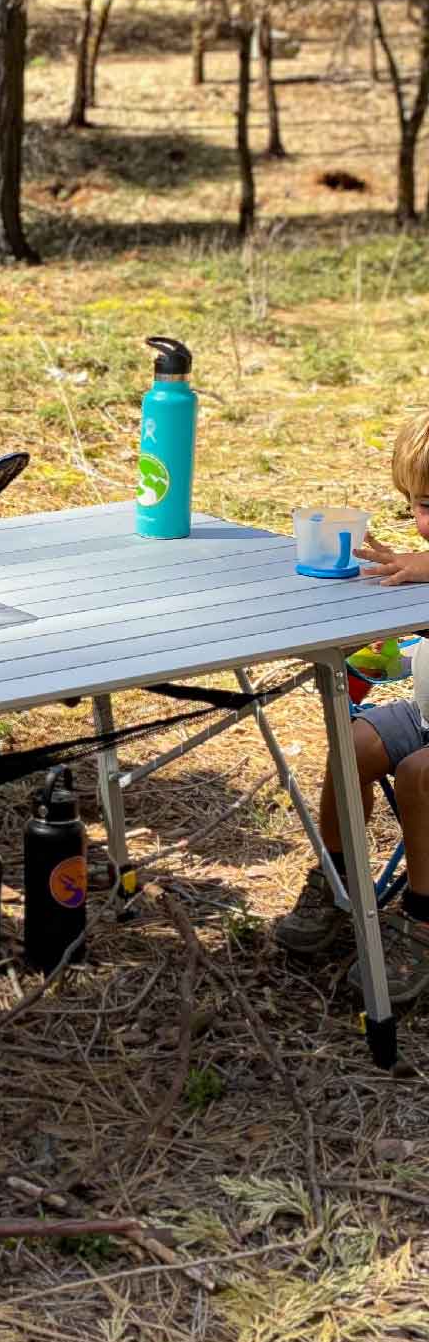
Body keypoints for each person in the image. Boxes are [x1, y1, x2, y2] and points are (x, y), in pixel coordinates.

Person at [272, 410, 429, 1003]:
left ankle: (422, 918)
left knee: (419, 776)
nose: (425, 524)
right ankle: (339, 883)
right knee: (352, 744)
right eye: (421, 505)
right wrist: (378, 649)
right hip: (425, 714)